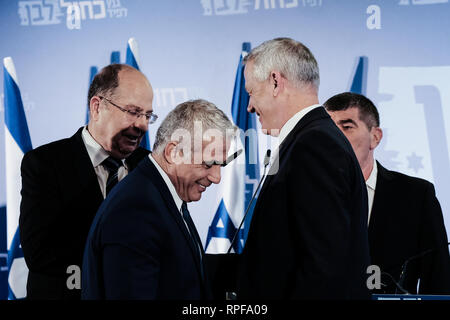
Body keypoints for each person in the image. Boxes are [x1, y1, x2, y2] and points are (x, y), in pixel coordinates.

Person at [235, 38, 371, 299]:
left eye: (251, 92)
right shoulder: (311, 139)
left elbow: (322, 267)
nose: (249, 106)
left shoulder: (314, 145)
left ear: (275, 81)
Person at [19, 64, 155, 299]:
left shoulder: (149, 166)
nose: (142, 124)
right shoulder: (45, 163)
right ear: (97, 106)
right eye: (133, 112)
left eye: (147, 115)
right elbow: (40, 253)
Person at [81, 99, 236, 299]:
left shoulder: (162, 193)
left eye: (220, 165)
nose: (217, 178)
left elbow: (177, 269)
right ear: (173, 152)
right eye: (208, 164)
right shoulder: (136, 209)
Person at [324, 92, 450, 294]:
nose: (335, 137)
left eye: (347, 127)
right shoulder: (302, 194)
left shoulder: (416, 195)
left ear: (375, 137)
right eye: (329, 129)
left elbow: (438, 278)